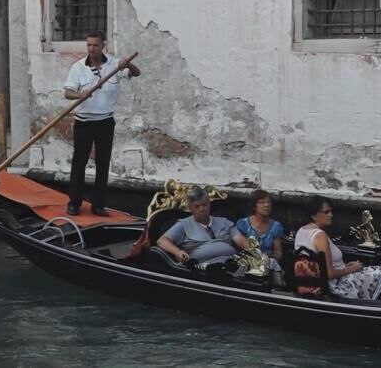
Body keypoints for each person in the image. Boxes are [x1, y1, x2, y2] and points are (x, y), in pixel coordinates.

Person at [63, 30, 140, 216]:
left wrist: (128, 64)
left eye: (95, 45)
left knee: (103, 163)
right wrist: (80, 94)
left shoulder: (115, 64)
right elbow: (68, 93)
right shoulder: (78, 68)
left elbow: (136, 73)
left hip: (105, 122)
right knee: (79, 162)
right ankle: (74, 202)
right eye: (89, 45)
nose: (92, 48)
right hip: (83, 123)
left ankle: (98, 204)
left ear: (103, 45)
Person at [294, 196, 381, 302]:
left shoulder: (301, 231)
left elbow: (320, 266)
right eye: (326, 212)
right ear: (314, 216)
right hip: (336, 287)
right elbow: (329, 274)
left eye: (331, 211)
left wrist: (344, 266)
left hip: (318, 283)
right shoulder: (320, 236)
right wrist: (352, 269)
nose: (331, 215)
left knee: (369, 271)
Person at [156, 186, 248, 264]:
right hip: (202, 267)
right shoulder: (183, 225)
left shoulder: (224, 222)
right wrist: (178, 252)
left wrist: (257, 253)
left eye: (204, 205)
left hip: (231, 261)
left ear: (209, 205)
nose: (201, 209)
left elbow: (239, 239)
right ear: (191, 208)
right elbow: (162, 241)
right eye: (197, 206)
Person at [234, 190, 285, 261]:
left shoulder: (276, 226)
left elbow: (278, 253)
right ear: (254, 206)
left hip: (267, 262)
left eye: (268, 202)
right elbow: (237, 248)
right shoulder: (243, 223)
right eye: (262, 202)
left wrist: (267, 258)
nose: (266, 205)